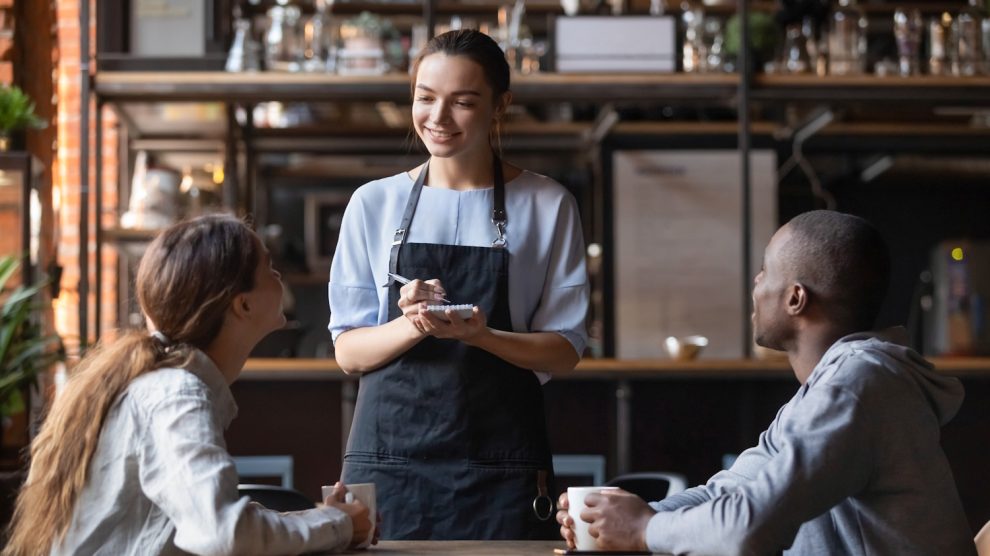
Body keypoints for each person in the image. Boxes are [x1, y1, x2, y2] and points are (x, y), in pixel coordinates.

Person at [556, 210, 977, 555]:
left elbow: (749, 527)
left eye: (764, 271)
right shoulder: (826, 389)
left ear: (796, 298)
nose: (755, 285)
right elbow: (731, 492)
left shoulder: (858, 385)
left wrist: (644, 529)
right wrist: (617, 516)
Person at [328, 29, 589, 540]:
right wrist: (414, 325)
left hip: (502, 467)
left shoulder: (547, 203)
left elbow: (563, 351)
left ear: (500, 106)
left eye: (463, 102)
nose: (438, 118)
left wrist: (481, 335)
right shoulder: (372, 204)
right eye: (425, 99)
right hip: (388, 466)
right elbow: (349, 352)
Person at [4, 215, 374, 555]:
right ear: (242, 305)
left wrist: (324, 518)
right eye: (269, 268)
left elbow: (195, 523)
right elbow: (224, 532)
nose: (279, 277)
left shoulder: (162, 385)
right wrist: (337, 524)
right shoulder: (176, 395)